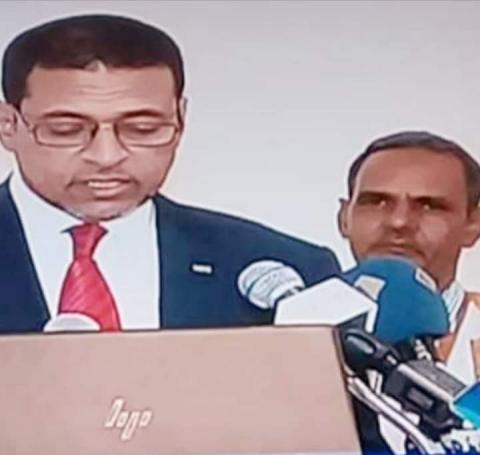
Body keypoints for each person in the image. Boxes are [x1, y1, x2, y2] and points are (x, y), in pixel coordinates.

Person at [0, 14, 339, 333]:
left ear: (180, 119)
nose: (107, 156)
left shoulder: (285, 272)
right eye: (66, 130)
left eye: (142, 129)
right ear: (8, 125)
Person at [338, 130, 480, 453]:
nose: (399, 222)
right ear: (344, 217)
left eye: (429, 206)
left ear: (473, 223)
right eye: (376, 202)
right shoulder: (292, 337)